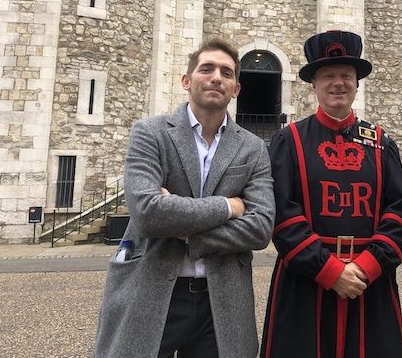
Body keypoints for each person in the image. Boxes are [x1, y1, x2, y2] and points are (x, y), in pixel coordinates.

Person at [93, 39, 275, 358]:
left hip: (221, 301)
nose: (216, 77)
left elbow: (260, 228)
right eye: (206, 68)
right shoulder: (150, 133)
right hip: (150, 289)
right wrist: (229, 207)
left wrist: (186, 230)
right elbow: (148, 212)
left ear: (236, 89)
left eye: (227, 72)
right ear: (186, 80)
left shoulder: (253, 148)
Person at [260, 30, 402, 358]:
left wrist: (368, 266)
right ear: (314, 84)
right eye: (328, 75)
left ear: (357, 84)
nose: (338, 83)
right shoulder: (290, 141)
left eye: (346, 75)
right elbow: (281, 213)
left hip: (368, 283)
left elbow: (400, 212)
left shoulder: (382, 142)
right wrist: (329, 271)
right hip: (305, 282)